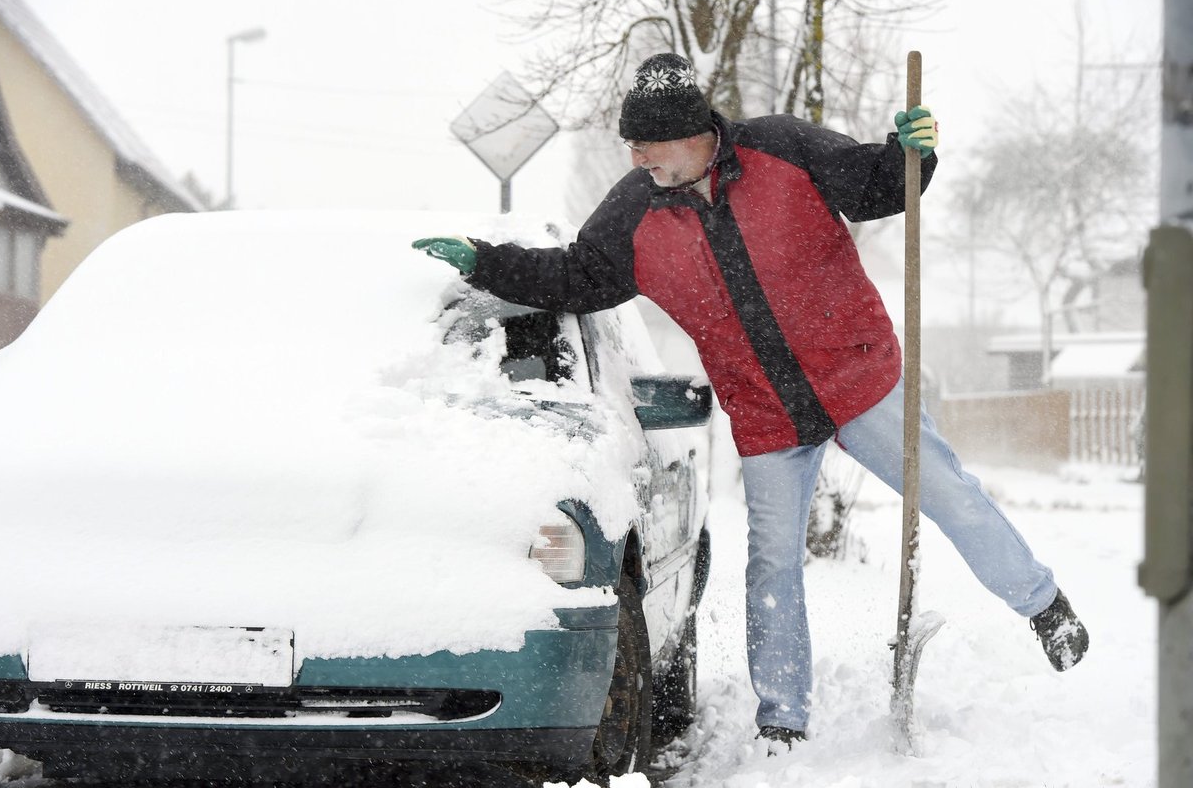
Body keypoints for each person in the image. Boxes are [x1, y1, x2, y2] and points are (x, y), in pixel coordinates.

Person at [411, 52, 1089, 752]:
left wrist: (911, 154)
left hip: (856, 377)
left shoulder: (782, 147)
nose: (637, 155)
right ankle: (782, 718)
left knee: (950, 492)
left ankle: (1046, 608)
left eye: (647, 142)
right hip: (766, 413)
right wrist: (484, 260)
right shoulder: (635, 210)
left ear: (689, 132)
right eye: (632, 144)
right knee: (772, 564)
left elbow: (874, 188)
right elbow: (578, 276)